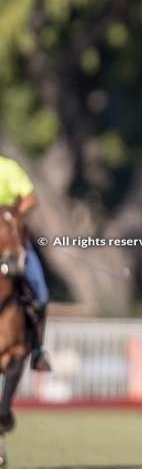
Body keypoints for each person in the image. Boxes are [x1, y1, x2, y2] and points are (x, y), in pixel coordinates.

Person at [0, 154, 50, 371]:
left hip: (11, 241)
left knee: (40, 292)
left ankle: (38, 349)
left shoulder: (8, 168)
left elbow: (30, 198)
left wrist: (11, 218)